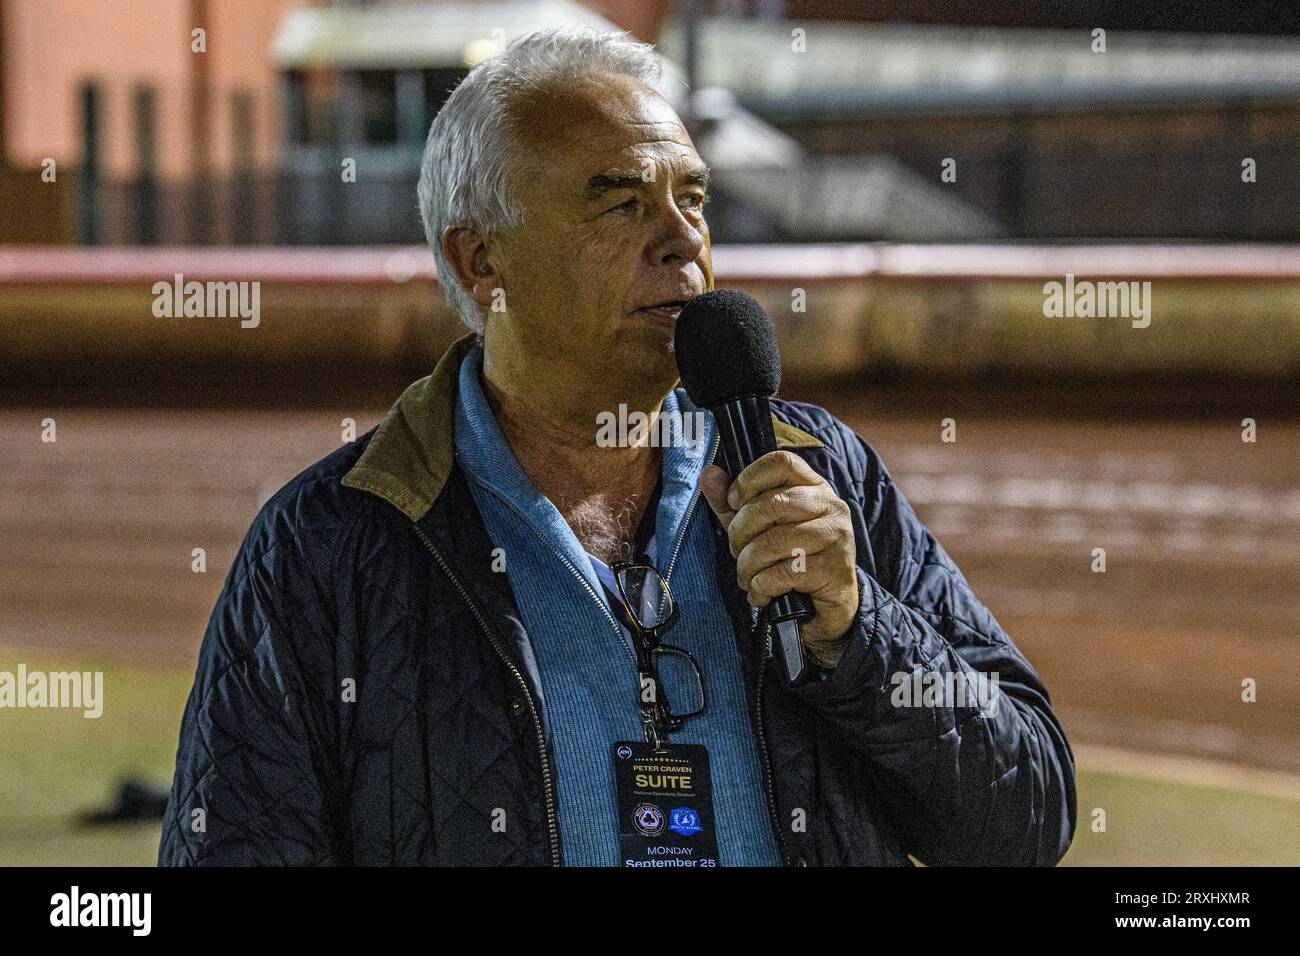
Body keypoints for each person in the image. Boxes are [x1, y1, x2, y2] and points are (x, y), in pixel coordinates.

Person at [159, 27, 1075, 867]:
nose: (685, 243)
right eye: (623, 205)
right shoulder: (328, 547)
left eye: (693, 199)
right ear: (483, 262)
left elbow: (1030, 819)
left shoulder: (817, 475)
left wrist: (861, 636)